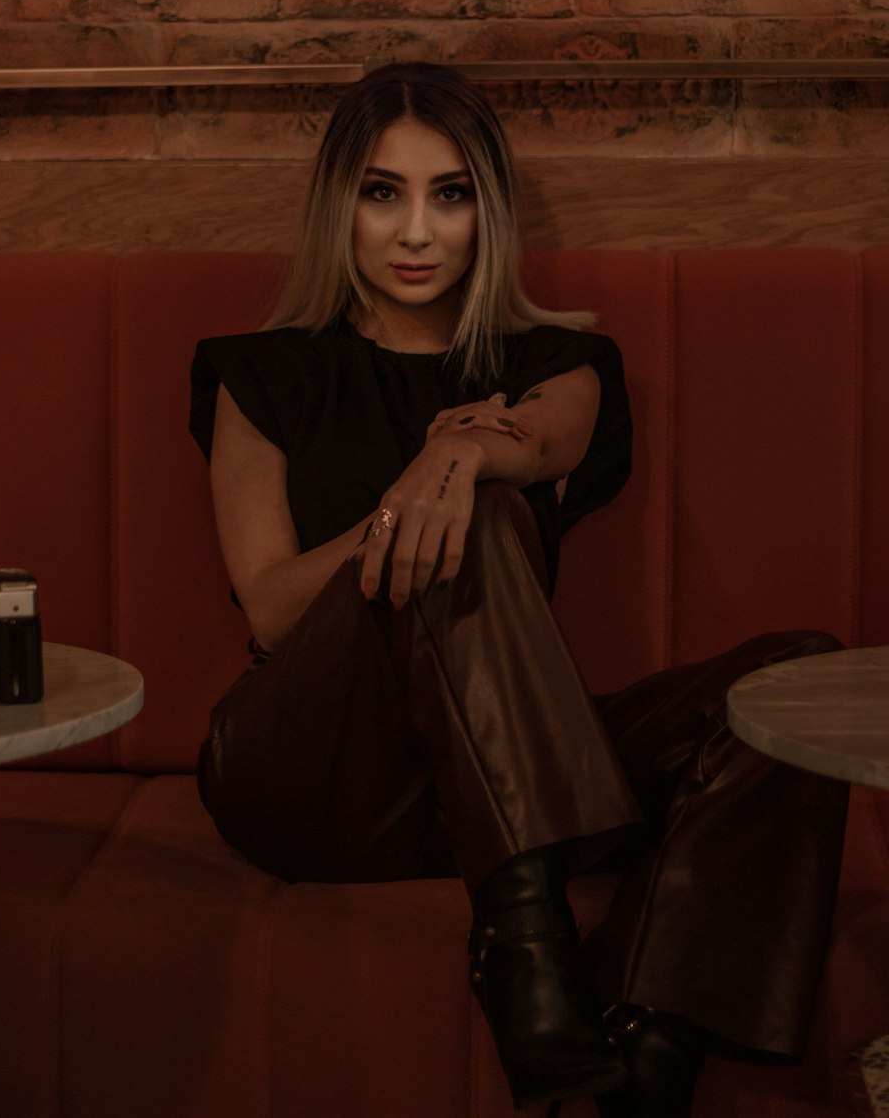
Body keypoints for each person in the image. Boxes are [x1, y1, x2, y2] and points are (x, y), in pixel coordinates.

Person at [189, 62, 848, 1117]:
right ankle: (525, 951)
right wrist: (418, 488)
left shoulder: (561, 360)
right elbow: (269, 607)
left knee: (795, 682)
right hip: (311, 773)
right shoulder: (260, 373)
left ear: (485, 213)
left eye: (449, 195)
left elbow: (545, 437)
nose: (416, 232)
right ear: (338, 209)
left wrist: (473, 453)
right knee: (472, 518)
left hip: (493, 785)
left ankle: (648, 1052)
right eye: (381, 192)